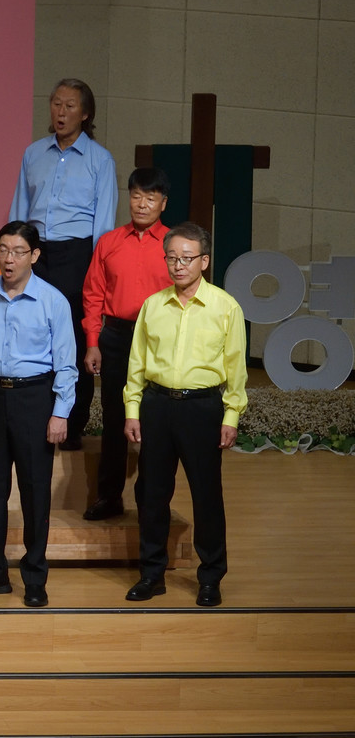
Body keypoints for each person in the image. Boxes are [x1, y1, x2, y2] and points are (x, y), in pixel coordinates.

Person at [122, 223, 245, 608]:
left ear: (204, 261)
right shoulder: (153, 306)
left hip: (202, 408)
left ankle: (210, 578)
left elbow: (237, 368)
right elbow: (137, 363)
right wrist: (132, 409)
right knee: (151, 494)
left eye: (187, 258)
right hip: (157, 406)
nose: (178, 265)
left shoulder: (226, 307)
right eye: (172, 257)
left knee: (206, 496)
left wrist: (231, 416)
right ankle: (151, 574)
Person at [0, 222, 78, 608]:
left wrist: (60, 413)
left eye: (18, 251)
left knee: (35, 490)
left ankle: (35, 577)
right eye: (3, 250)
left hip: (35, 399)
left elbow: (67, 365)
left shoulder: (53, 301)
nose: (9, 259)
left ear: (34, 255)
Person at [10, 79, 116, 452]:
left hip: (77, 254)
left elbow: (104, 221)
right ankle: (33, 416)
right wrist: (15, 253)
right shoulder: (33, 153)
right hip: (37, 251)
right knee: (32, 334)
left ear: (85, 114)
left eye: (70, 106)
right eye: (56, 103)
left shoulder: (100, 159)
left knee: (72, 339)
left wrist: (96, 268)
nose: (61, 112)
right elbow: (20, 209)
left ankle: (72, 423)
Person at [80, 166, 172, 520]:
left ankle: (150, 499)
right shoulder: (109, 242)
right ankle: (109, 496)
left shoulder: (174, 245)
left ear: (163, 203)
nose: (142, 204)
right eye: (136, 196)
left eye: (150, 198)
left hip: (160, 338)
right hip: (116, 336)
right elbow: (93, 295)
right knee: (115, 416)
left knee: (155, 418)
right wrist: (93, 341)